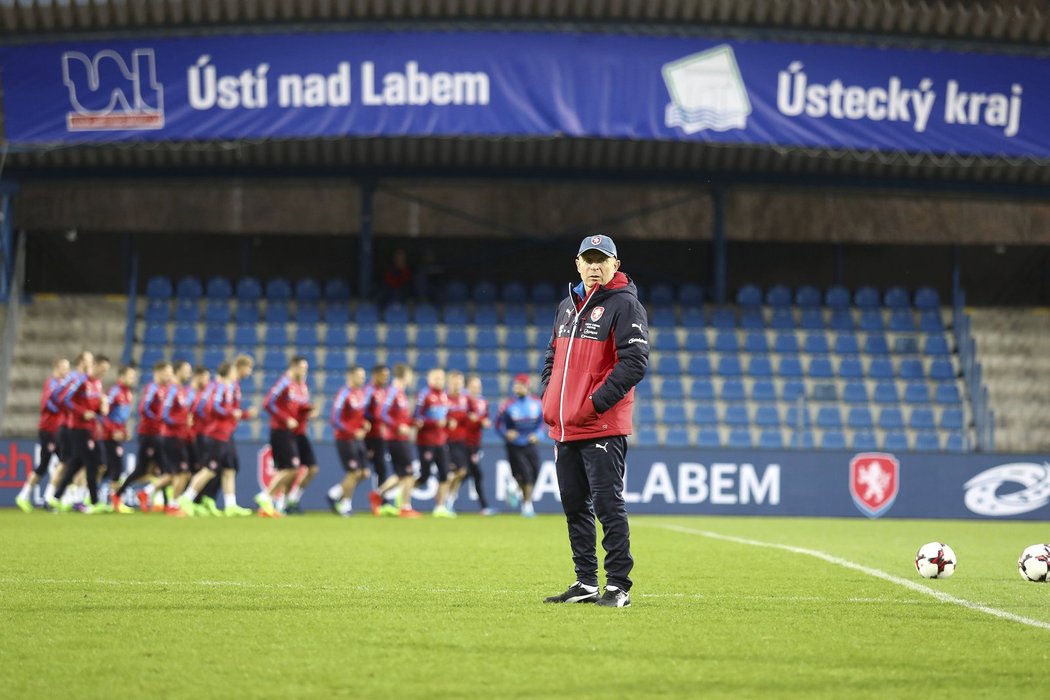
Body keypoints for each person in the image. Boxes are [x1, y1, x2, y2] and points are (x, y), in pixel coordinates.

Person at [540, 234, 648, 609]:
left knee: (607, 505)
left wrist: (593, 403)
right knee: (574, 505)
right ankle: (586, 581)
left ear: (615, 265)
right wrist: (548, 397)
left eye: (603, 260)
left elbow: (634, 363)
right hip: (566, 426)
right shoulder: (566, 306)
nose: (595, 267)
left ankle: (618, 586)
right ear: (578, 264)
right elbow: (552, 357)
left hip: (601, 425)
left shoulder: (624, 305)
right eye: (589, 260)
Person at [177, 361, 253, 516]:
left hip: (225, 433)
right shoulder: (220, 386)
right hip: (216, 433)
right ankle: (186, 498)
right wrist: (231, 413)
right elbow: (213, 407)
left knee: (229, 469)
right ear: (229, 371)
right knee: (210, 470)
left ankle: (231, 505)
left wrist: (243, 415)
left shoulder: (228, 387)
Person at [49, 352, 110, 512]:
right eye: (102, 370)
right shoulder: (81, 380)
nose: (103, 373)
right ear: (94, 365)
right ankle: (94, 502)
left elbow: (94, 406)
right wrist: (82, 411)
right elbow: (65, 399)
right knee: (92, 463)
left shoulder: (97, 383)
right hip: (77, 428)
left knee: (76, 463)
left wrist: (101, 408)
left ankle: (56, 497)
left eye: (106, 371)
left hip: (90, 428)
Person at [256, 356, 312, 517]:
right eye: (302, 367)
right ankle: (265, 496)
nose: (304, 371)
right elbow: (268, 403)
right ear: (293, 367)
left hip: (289, 432)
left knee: (289, 469)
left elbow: (294, 408)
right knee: (290, 468)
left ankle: (270, 506)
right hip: (279, 430)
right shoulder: (284, 382)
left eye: (305, 368)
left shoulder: (299, 385)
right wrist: (285, 418)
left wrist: (306, 411)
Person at [113, 360, 172, 512]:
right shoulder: (152, 388)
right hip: (149, 434)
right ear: (158, 373)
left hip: (156, 434)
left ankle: (166, 504)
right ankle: (119, 495)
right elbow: (143, 408)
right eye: (166, 373)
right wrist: (157, 420)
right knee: (144, 470)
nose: (169, 376)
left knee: (163, 469)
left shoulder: (163, 389)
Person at [15, 357, 70, 512]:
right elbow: (48, 405)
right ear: (57, 367)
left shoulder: (59, 385)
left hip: (57, 430)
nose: (67, 372)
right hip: (49, 430)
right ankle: (30, 496)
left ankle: (46, 497)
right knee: (48, 465)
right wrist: (64, 407)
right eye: (64, 368)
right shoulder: (52, 384)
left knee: (63, 463)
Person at [369, 364, 421, 518]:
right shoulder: (392, 392)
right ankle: (405, 507)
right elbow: (381, 413)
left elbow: (400, 417)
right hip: (395, 439)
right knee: (409, 473)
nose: (411, 378)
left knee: (402, 474)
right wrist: (399, 427)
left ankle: (377, 494)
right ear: (404, 375)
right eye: (410, 375)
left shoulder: (400, 394)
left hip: (400, 438)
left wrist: (412, 423)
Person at [495, 373, 544, 518]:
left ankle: (515, 489)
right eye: (515, 385)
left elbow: (542, 423)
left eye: (520, 385)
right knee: (526, 474)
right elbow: (498, 424)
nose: (516, 388)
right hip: (515, 445)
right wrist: (506, 433)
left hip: (530, 443)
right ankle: (527, 505)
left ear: (527, 386)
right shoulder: (508, 404)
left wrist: (538, 435)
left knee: (534, 473)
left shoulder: (537, 403)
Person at [326, 366, 371, 516]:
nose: (363, 379)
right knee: (354, 472)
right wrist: (353, 431)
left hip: (357, 439)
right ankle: (345, 505)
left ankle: (334, 494)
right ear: (351, 376)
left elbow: (357, 415)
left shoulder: (360, 393)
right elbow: (334, 419)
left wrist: (364, 422)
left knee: (364, 473)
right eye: (360, 376)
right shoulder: (343, 393)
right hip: (345, 438)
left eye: (364, 376)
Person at [447, 373, 493, 515]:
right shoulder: (463, 400)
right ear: (466, 387)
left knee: (468, 473)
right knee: (469, 473)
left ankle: (449, 501)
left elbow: (482, 418)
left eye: (479, 387)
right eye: (474, 386)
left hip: (474, 443)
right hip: (462, 442)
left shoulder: (482, 402)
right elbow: (466, 418)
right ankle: (482, 506)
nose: (477, 389)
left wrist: (482, 421)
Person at [414, 367, 454, 518]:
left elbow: (446, 416)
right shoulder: (424, 395)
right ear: (429, 380)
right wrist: (434, 423)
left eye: (441, 378)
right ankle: (403, 498)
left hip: (441, 441)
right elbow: (417, 418)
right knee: (424, 476)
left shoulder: (444, 396)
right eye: (436, 378)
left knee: (445, 475)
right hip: (426, 442)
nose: (439, 381)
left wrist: (449, 422)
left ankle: (439, 507)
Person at [100, 364, 138, 514]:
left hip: (117, 437)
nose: (133, 379)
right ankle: (110, 500)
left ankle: (113, 501)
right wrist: (113, 430)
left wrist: (124, 430)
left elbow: (120, 418)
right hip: (107, 436)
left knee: (112, 469)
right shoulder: (114, 392)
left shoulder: (127, 393)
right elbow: (104, 413)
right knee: (114, 468)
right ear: (121, 377)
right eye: (130, 376)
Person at [161, 360, 195, 512]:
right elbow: (164, 415)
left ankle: (172, 504)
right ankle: (172, 503)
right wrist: (182, 421)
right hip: (172, 436)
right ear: (179, 371)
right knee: (182, 472)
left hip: (179, 436)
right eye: (187, 370)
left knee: (178, 473)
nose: (189, 373)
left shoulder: (181, 390)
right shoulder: (173, 390)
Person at [363, 365, 391, 506]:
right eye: (384, 375)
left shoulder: (383, 391)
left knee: (381, 468)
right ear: (375, 375)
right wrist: (370, 420)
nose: (386, 378)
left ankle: (381, 499)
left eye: (387, 376)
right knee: (362, 470)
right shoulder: (369, 391)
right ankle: (339, 495)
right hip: (369, 436)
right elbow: (363, 410)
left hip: (380, 436)